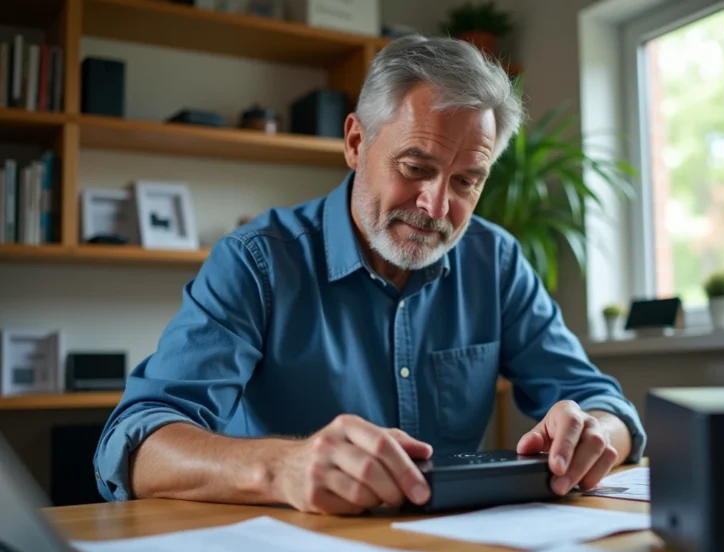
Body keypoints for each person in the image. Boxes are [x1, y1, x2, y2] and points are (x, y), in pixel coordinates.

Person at [93, 34, 646, 516]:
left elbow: (601, 403)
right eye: (416, 168)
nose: (435, 206)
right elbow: (135, 445)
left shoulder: (494, 260)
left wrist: (592, 432)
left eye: (465, 182)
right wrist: (284, 467)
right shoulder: (255, 261)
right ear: (356, 143)